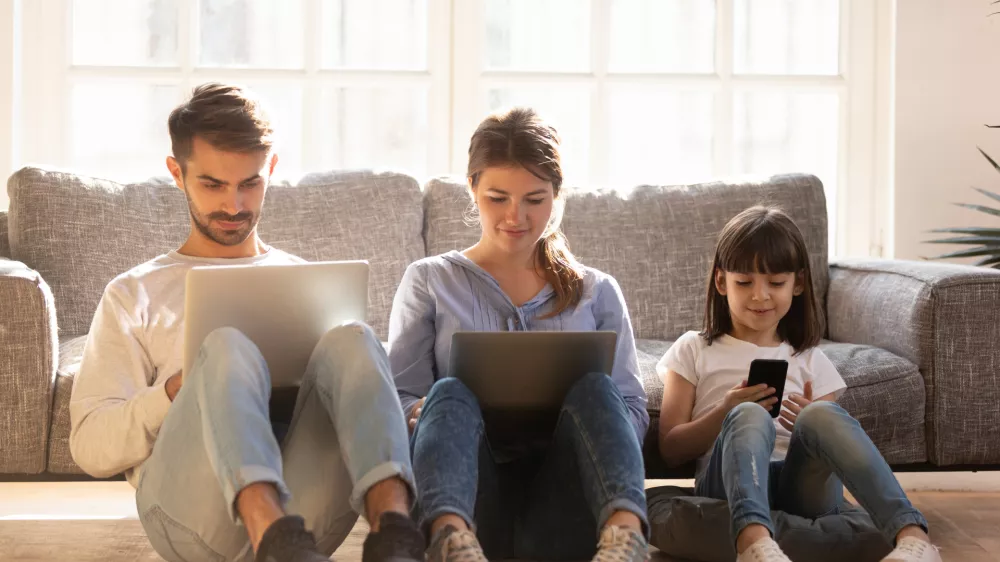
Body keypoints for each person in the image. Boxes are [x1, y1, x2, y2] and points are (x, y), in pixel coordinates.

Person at [69, 83, 424, 562]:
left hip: (308, 513)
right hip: (190, 514)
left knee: (355, 339)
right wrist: (176, 389)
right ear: (177, 172)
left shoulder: (309, 283)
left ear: (271, 169)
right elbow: (90, 446)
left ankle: (396, 536)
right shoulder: (134, 292)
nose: (234, 206)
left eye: (250, 183)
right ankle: (270, 533)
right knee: (226, 346)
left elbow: (358, 403)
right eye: (213, 184)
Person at [389, 107, 650, 562]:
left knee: (598, 388)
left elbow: (631, 408)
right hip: (468, 494)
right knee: (447, 393)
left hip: (568, 500)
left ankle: (626, 543)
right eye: (497, 197)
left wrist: (595, 423)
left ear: (557, 195)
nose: (517, 216)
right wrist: (421, 413)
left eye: (535, 199)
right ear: (471, 188)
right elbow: (400, 395)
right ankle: (449, 542)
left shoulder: (596, 291)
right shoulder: (430, 280)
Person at [655, 205, 942, 562]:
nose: (760, 296)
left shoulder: (810, 359)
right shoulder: (694, 348)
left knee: (822, 415)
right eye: (744, 282)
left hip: (800, 488)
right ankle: (754, 544)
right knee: (747, 414)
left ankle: (914, 539)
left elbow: (833, 454)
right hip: (728, 485)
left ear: (799, 284)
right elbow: (670, 449)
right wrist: (724, 411)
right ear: (720, 282)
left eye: (776, 283)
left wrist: (811, 420)